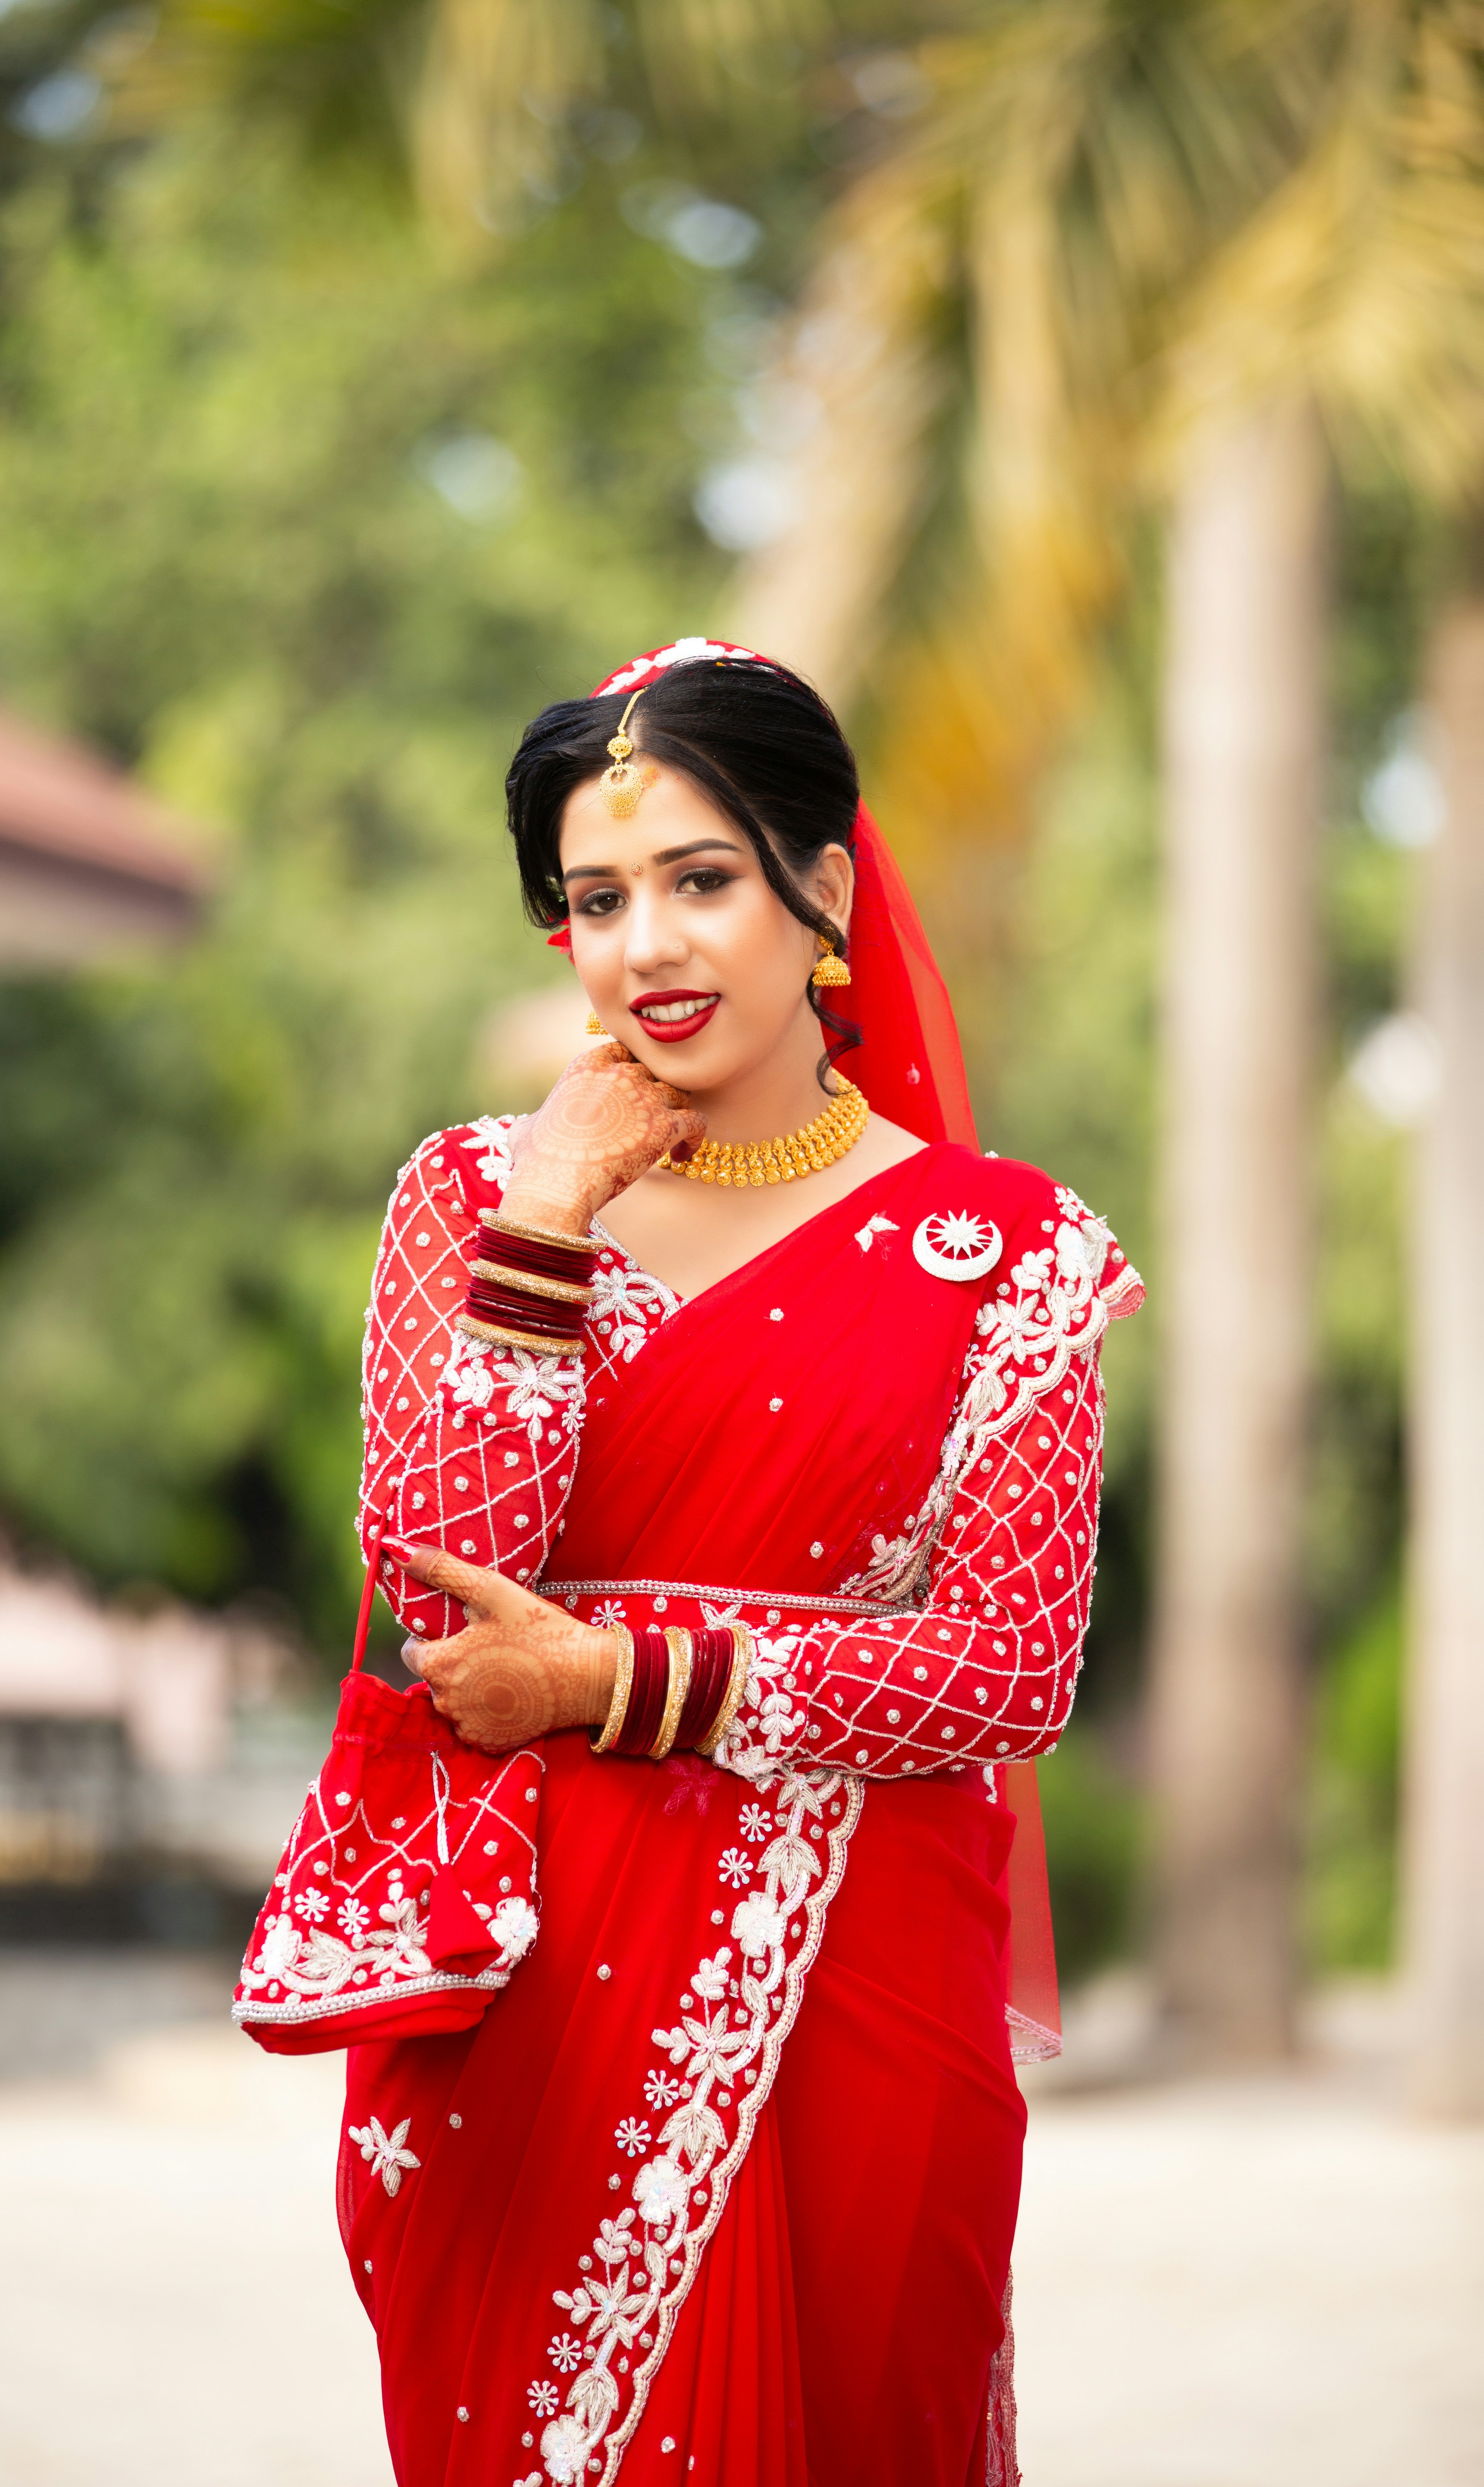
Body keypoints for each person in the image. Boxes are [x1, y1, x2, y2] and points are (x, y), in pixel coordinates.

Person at [336, 641, 1142, 2487]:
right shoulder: (474, 1196)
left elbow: (1009, 1669)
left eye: (702, 881)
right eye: (599, 902)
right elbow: (442, 1584)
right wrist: (551, 1223)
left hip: (865, 2007)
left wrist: (618, 1678)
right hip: (530, 2005)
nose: (648, 949)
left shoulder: (1000, 1252)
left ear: (827, 894)